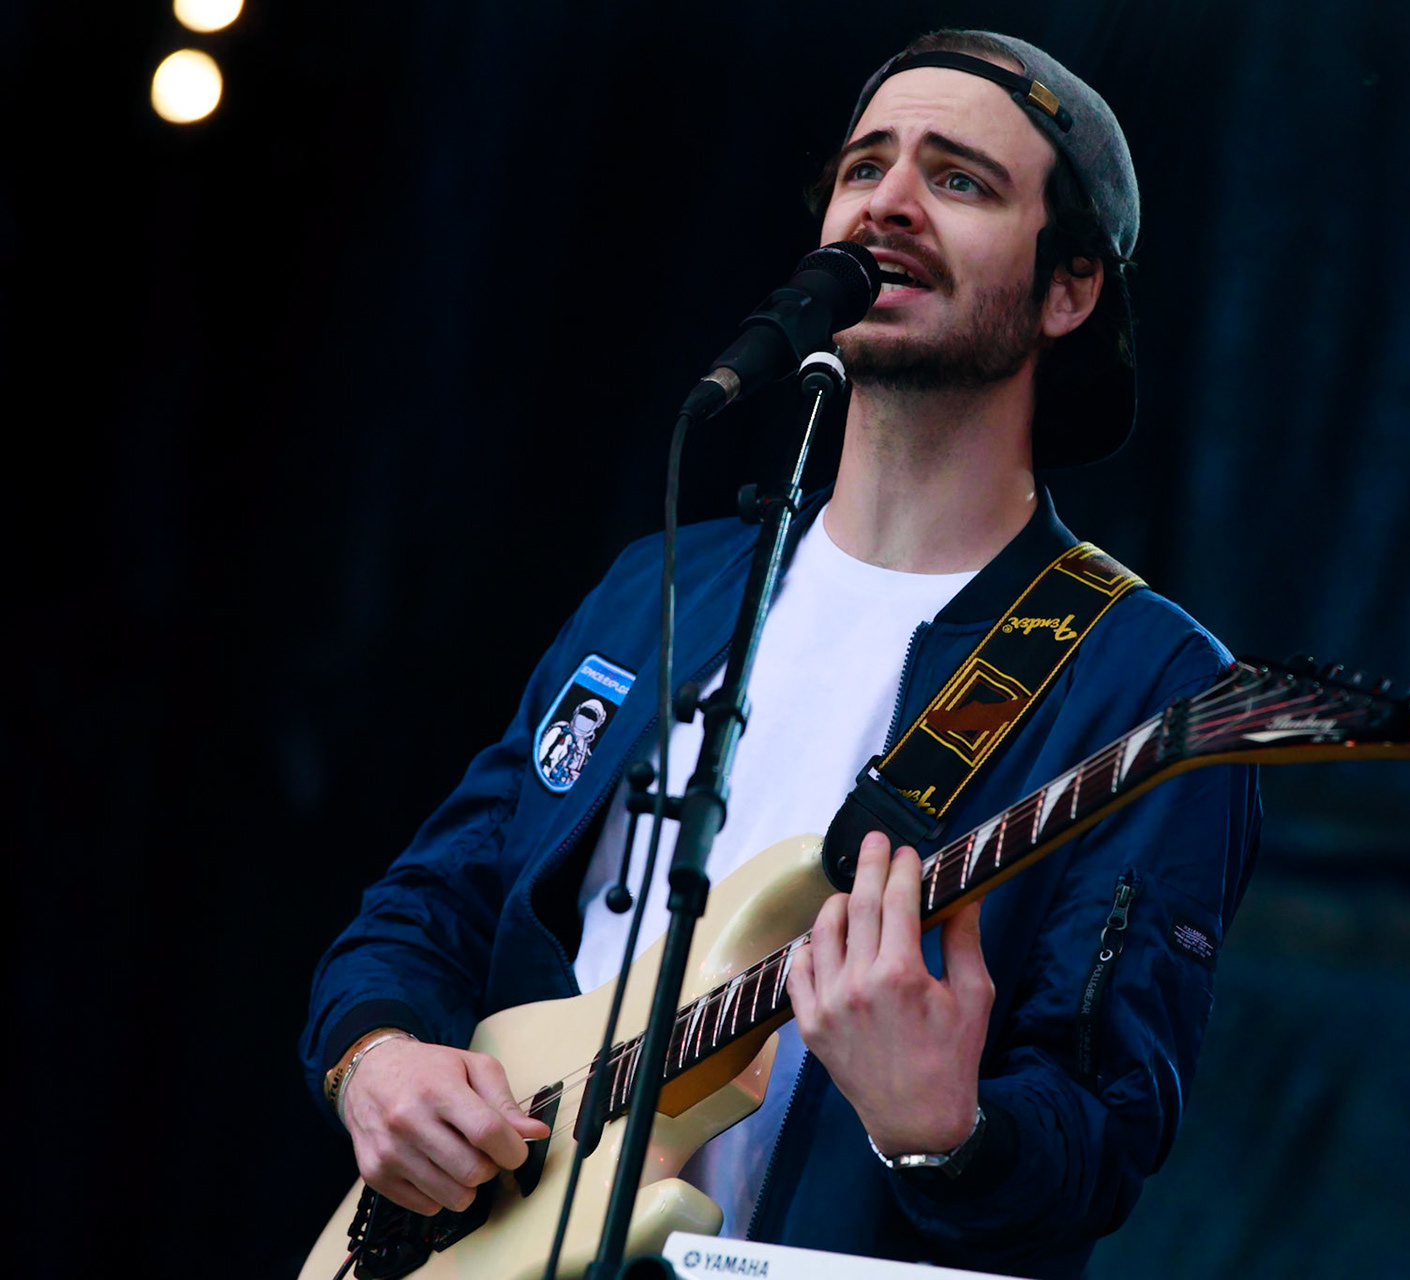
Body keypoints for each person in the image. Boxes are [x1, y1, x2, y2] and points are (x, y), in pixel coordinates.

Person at [302, 29, 1261, 1279]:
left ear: (1069, 287)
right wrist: (376, 1054)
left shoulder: (1149, 683)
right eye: (866, 167)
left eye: (961, 180)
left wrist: (947, 1133)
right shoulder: (670, 581)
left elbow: (1103, 1135)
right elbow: (433, 900)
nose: (890, 204)